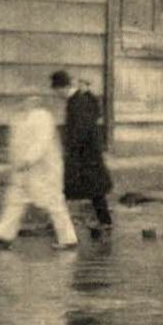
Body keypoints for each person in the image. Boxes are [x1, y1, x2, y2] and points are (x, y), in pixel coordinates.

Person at [0, 96, 79, 249]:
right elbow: (15, 143)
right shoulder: (20, 118)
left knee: (54, 202)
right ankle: (3, 235)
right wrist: (17, 162)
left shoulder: (42, 118)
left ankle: (68, 238)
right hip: (25, 169)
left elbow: (42, 142)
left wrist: (28, 160)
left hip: (43, 169)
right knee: (15, 201)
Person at [53, 70, 114, 229]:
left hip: (83, 153)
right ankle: (104, 221)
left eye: (57, 89)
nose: (56, 94)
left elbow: (80, 129)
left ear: (63, 87)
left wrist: (70, 148)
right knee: (94, 190)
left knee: (67, 187)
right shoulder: (80, 99)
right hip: (88, 152)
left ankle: (60, 224)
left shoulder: (76, 101)